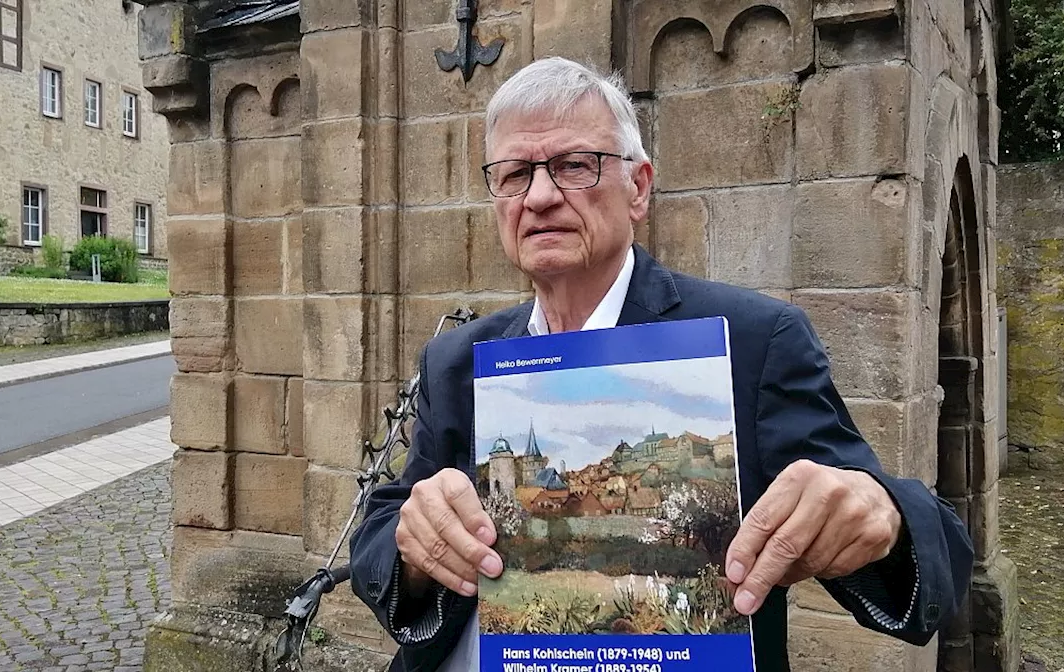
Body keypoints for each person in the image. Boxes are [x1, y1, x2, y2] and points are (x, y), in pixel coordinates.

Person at [348, 56, 973, 672]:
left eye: (574, 165)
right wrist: (411, 543)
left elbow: (942, 555)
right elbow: (381, 533)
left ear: (638, 188)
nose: (539, 196)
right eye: (514, 174)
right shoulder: (457, 360)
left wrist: (882, 515)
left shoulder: (755, 340)